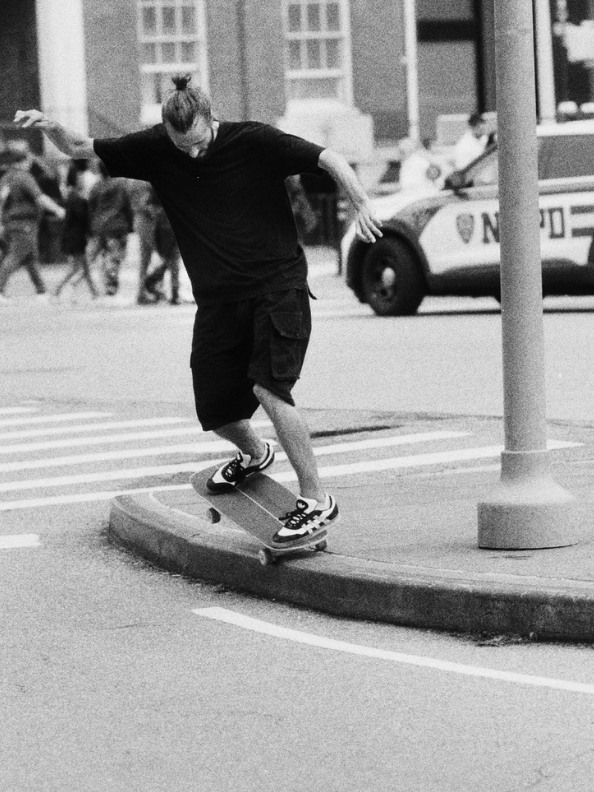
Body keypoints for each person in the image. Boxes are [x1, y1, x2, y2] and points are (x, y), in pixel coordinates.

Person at [14, 75, 382, 544]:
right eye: (181, 146)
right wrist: (50, 126)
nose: (192, 154)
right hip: (218, 300)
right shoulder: (155, 147)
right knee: (214, 406)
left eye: (199, 142)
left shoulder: (254, 140)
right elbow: (79, 147)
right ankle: (255, 453)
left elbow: (327, 158)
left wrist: (361, 201)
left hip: (277, 287)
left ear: (212, 118)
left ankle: (315, 499)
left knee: (270, 388)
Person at [0, 147, 65, 303]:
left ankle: (41, 291)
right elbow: (39, 198)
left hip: (10, 223)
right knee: (14, 257)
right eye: (27, 161)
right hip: (25, 223)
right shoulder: (24, 177)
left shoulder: (6, 178)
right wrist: (57, 209)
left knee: (30, 258)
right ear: (21, 162)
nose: (29, 164)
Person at [87, 161, 134, 298]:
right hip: (118, 226)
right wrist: (130, 224)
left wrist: (91, 226)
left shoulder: (96, 187)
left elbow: (90, 208)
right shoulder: (121, 185)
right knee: (115, 257)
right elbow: (127, 206)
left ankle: (106, 283)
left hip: (99, 227)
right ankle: (111, 285)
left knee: (103, 255)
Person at [54, 161, 98, 300]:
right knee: (76, 267)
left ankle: (95, 293)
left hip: (76, 236)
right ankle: (56, 291)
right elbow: (82, 217)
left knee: (84, 267)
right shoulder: (76, 198)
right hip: (75, 237)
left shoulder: (72, 195)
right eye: (79, 178)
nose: (82, 180)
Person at [142, 185, 181, 305]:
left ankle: (155, 283)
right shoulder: (157, 189)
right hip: (166, 229)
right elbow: (148, 206)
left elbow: (147, 206)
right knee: (172, 261)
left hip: (166, 228)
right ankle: (172, 293)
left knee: (170, 260)